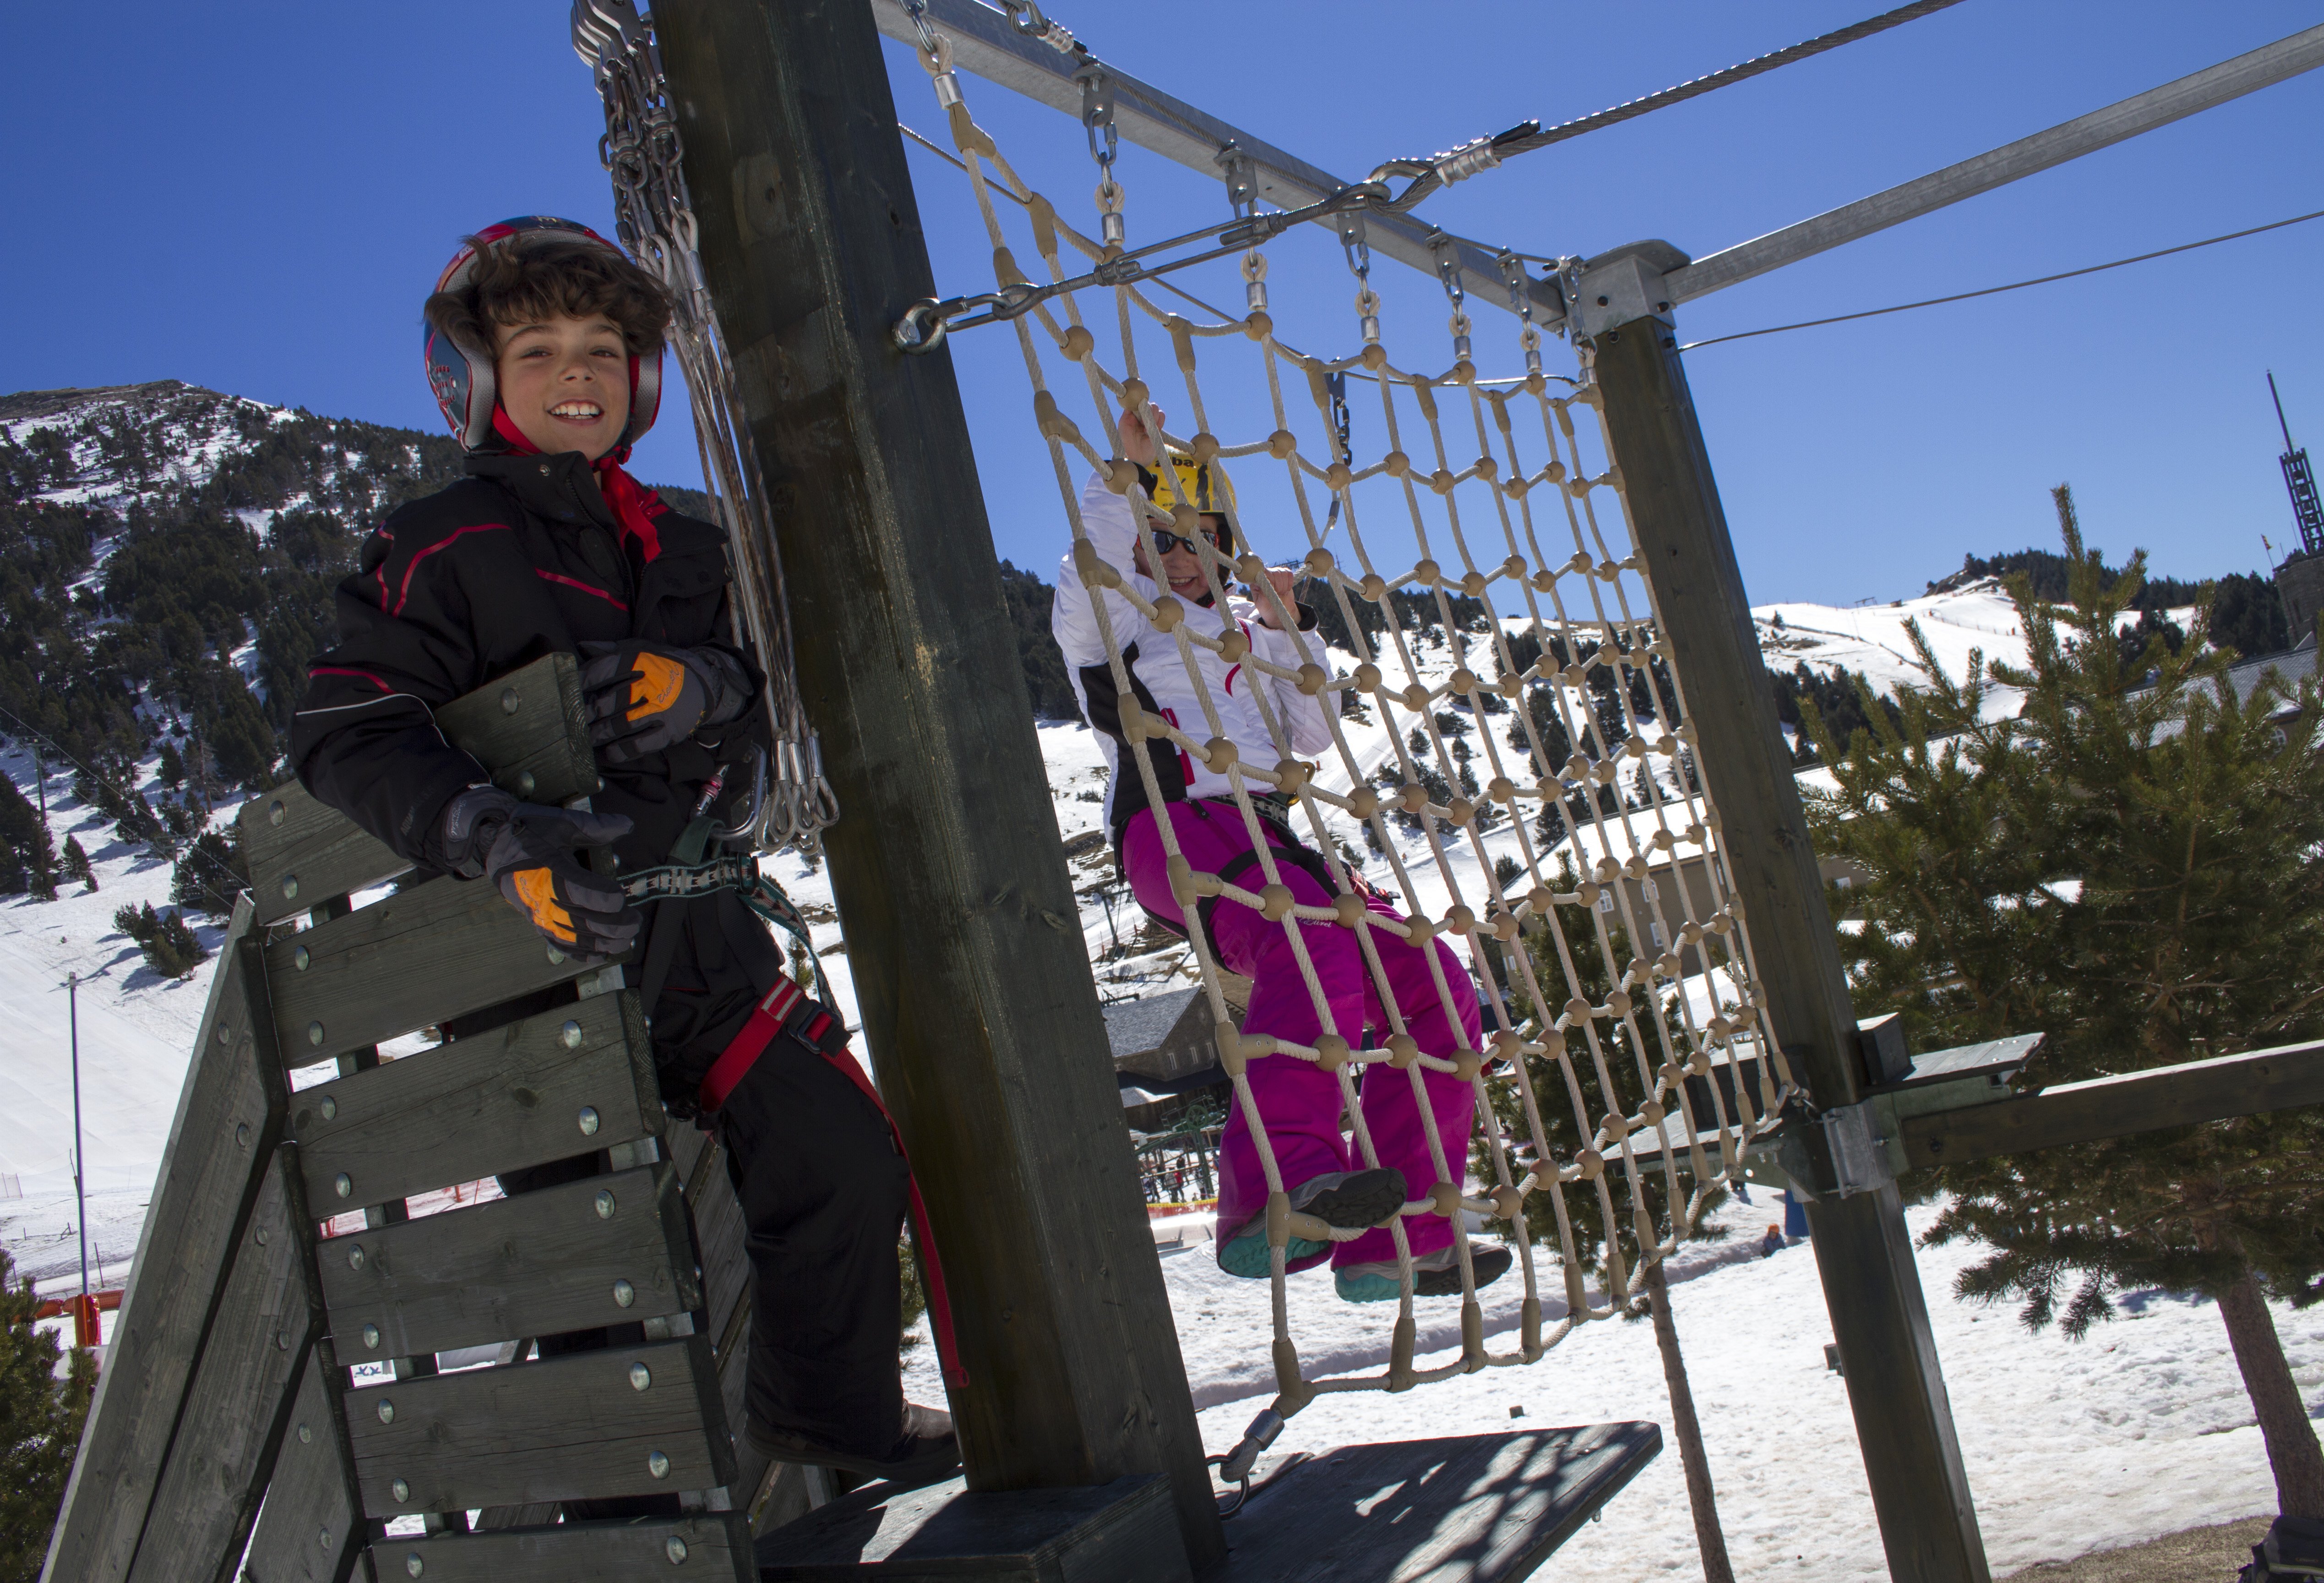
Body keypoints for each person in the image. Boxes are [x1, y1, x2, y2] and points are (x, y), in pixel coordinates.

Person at [291, 217, 955, 1487]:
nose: (576, 375)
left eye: (603, 349)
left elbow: (772, 700)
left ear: (641, 378)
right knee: (593, 1255)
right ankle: (616, 1519)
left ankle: (830, 1421)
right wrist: (488, 833)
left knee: (837, 1155)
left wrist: (712, 688)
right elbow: (345, 724)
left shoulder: (689, 546)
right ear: (476, 379)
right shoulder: (444, 542)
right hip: (542, 958)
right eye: (536, 350)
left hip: (705, 943)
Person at [1051, 406, 1510, 1303]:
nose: (1183, 558)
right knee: (1310, 940)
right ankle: (1276, 1187)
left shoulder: (1246, 635)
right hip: (1176, 826)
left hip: (1274, 839)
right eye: (1161, 540)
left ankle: (1400, 1237)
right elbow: (1088, 572)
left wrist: (1285, 625)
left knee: (1436, 984)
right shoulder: (1121, 623)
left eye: (1201, 539)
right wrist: (1122, 478)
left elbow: (1311, 733)